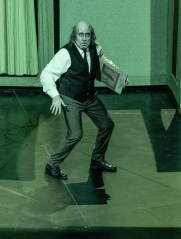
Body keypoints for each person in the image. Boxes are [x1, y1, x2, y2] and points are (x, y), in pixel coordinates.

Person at [39, 20, 120, 180]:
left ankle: (97, 160)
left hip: (89, 97)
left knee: (107, 125)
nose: (84, 38)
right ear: (74, 36)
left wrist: (120, 78)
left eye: (87, 35)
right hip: (71, 98)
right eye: (80, 35)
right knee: (75, 134)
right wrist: (55, 96)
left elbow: (105, 64)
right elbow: (46, 74)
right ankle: (52, 165)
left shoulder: (95, 48)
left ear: (91, 36)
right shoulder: (65, 53)